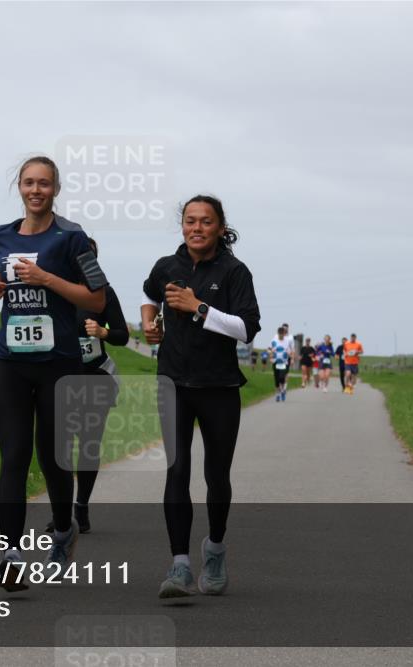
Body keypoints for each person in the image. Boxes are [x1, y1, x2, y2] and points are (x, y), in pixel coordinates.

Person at [0, 156, 107, 590]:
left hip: (59, 364)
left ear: (56, 189)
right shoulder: (1, 234)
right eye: (29, 182)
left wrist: (46, 279)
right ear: (19, 186)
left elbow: (96, 299)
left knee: (52, 457)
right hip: (10, 362)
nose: (36, 190)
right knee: (14, 456)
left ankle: (62, 527)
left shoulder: (72, 239)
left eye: (44, 184)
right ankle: (12, 556)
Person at [140, 195, 260, 598]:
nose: (196, 228)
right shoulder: (166, 267)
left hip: (219, 388)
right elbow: (149, 295)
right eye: (190, 221)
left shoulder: (234, 271)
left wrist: (198, 307)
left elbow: (246, 329)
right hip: (173, 383)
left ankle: (215, 548)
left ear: (221, 227)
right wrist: (148, 326)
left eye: (205, 221)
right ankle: (179, 566)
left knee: (216, 476)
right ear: (182, 226)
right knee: (176, 472)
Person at [44, 237, 129, 535]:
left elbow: (122, 335)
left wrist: (103, 331)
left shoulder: (104, 293)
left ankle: (82, 506)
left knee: (89, 445)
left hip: (96, 378)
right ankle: (63, 513)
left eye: (88, 257)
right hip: (61, 380)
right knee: (60, 447)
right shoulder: (55, 290)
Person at [269, 326, 292, 402]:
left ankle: (282, 391)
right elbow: (270, 349)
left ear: (284, 334)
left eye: (282, 334)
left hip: (284, 362)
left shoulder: (287, 341)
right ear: (278, 333)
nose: (281, 335)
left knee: (282, 377)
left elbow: (289, 351)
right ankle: (278, 394)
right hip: (275, 362)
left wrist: (290, 356)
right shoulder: (274, 341)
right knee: (276, 379)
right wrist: (271, 357)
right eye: (280, 334)